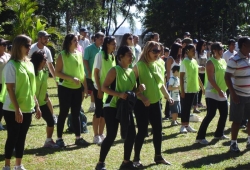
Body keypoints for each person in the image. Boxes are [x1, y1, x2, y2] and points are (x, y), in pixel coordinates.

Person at [95, 45, 143, 170]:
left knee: (131, 134)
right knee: (111, 135)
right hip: (111, 106)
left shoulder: (132, 72)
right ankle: (100, 163)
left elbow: (132, 93)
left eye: (132, 55)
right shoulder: (115, 70)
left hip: (125, 108)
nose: (131, 57)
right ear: (120, 57)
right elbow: (104, 87)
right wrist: (119, 94)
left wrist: (139, 90)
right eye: (128, 55)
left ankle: (126, 162)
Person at [2, 34, 42, 170]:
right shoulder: (11, 65)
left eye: (30, 45)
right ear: (19, 46)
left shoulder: (29, 63)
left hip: (27, 107)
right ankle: (7, 165)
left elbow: (31, 87)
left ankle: (18, 165)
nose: (29, 48)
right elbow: (10, 88)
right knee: (12, 137)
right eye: (27, 45)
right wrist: (17, 109)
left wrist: (36, 105)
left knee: (22, 137)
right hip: (12, 109)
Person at [133, 41, 174, 168]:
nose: (157, 54)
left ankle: (158, 156)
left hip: (156, 102)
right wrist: (142, 96)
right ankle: (136, 159)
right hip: (142, 104)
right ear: (147, 51)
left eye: (159, 51)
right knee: (142, 131)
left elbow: (160, 84)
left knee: (158, 130)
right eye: (154, 51)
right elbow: (131, 88)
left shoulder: (159, 64)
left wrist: (168, 96)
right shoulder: (138, 66)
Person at [55, 33, 89, 147]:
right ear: (69, 42)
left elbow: (82, 72)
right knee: (63, 113)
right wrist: (71, 78)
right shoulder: (62, 55)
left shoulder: (79, 54)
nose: (77, 42)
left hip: (77, 89)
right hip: (65, 88)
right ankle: (59, 139)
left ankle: (78, 138)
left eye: (77, 40)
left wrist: (85, 87)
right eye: (75, 40)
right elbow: (57, 72)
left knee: (76, 113)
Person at [196, 42, 229, 145]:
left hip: (222, 92)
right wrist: (218, 90)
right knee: (211, 114)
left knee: (224, 114)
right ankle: (200, 137)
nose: (222, 51)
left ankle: (219, 134)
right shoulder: (210, 62)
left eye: (222, 49)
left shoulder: (223, 61)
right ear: (215, 50)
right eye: (220, 49)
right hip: (212, 92)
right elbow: (210, 78)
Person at [224, 36, 250, 153]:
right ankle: (233, 143)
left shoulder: (249, 58)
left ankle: (249, 140)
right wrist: (233, 93)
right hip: (239, 95)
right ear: (244, 45)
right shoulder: (233, 59)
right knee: (237, 121)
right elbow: (227, 77)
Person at [30, 50, 59, 148]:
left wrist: (46, 96)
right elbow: (31, 89)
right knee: (22, 126)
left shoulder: (44, 72)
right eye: (44, 59)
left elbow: (43, 87)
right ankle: (15, 144)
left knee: (50, 121)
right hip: (30, 102)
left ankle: (48, 141)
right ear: (38, 60)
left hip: (42, 102)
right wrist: (36, 104)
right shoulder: (31, 73)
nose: (46, 61)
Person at [92, 36, 117, 144]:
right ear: (107, 44)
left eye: (115, 44)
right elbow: (96, 73)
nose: (115, 46)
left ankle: (101, 133)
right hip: (99, 88)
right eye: (113, 44)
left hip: (108, 90)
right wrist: (99, 90)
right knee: (98, 112)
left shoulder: (112, 56)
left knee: (104, 113)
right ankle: (95, 135)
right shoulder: (100, 55)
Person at [28, 30, 57, 124]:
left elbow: (50, 65)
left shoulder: (47, 50)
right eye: (45, 38)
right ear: (39, 38)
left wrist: (56, 79)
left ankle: (52, 117)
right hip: (32, 77)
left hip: (41, 78)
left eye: (48, 38)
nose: (47, 40)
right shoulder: (32, 49)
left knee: (46, 97)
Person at [180, 44, 204, 133]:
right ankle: (183, 126)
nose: (194, 52)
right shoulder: (184, 62)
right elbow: (181, 77)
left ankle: (187, 125)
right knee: (185, 108)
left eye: (194, 50)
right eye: (192, 50)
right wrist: (182, 90)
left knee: (189, 107)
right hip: (186, 89)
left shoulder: (194, 61)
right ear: (187, 51)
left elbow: (196, 75)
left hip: (193, 88)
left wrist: (202, 86)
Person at [84, 32, 105, 112]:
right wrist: (89, 71)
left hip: (97, 74)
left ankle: (92, 106)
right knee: (85, 91)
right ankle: (80, 106)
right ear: (95, 39)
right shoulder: (89, 48)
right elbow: (85, 60)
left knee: (94, 89)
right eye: (100, 39)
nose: (102, 41)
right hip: (89, 74)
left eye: (103, 39)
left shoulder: (101, 49)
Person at [164, 43, 182, 120]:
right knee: (170, 98)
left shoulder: (179, 59)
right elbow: (168, 71)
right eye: (179, 49)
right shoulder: (170, 59)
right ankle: (167, 114)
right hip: (171, 80)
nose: (181, 50)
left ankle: (175, 114)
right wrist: (168, 83)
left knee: (176, 97)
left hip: (177, 81)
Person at [193, 39, 207, 112]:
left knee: (202, 87)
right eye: (203, 45)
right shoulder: (196, 52)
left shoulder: (205, 52)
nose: (205, 46)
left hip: (204, 72)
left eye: (205, 45)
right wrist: (199, 67)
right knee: (198, 87)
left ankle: (199, 101)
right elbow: (195, 62)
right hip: (198, 72)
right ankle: (195, 102)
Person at [0, 38, 10, 130]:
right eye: (3, 45)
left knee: (3, 103)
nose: (5, 46)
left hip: (5, 83)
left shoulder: (8, 56)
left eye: (5, 45)